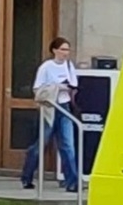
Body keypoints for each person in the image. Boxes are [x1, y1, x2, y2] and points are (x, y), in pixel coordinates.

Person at [24, 37, 81, 192]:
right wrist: (56, 87)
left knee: (68, 145)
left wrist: (66, 88)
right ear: (54, 50)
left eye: (67, 50)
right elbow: (38, 89)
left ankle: (72, 182)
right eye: (62, 49)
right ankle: (27, 176)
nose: (65, 53)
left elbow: (73, 86)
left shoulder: (69, 66)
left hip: (64, 107)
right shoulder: (46, 67)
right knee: (40, 144)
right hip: (49, 107)